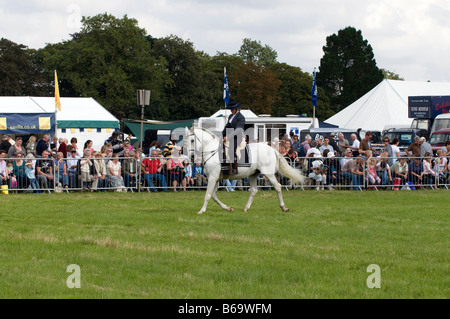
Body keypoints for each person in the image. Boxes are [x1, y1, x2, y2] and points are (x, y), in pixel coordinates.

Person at [222, 101, 246, 175]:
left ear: (236, 109)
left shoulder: (241, 117)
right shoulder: (230, 116)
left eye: (232, 109)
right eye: (230, 109)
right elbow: (226, 127)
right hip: (230, 137)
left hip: (237, 137)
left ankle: (235, 168)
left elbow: (237, 130)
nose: (231, 111)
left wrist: (228, 137)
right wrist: (222, 135)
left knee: (232, 148)